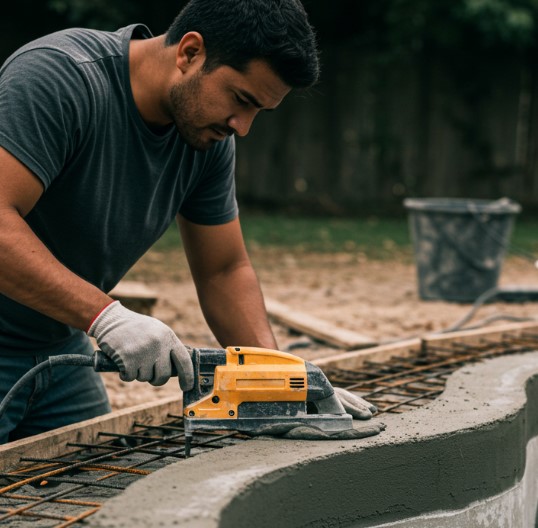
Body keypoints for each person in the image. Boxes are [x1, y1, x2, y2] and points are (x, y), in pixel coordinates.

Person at [0, 0, 376, 443]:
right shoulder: (59, 78)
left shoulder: (207, 136)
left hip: (59, 349)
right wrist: (107, 317)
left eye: (259, 111)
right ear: (190, 53)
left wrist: (279, 381)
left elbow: (224, 270)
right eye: (241, 99)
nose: (244, 127)